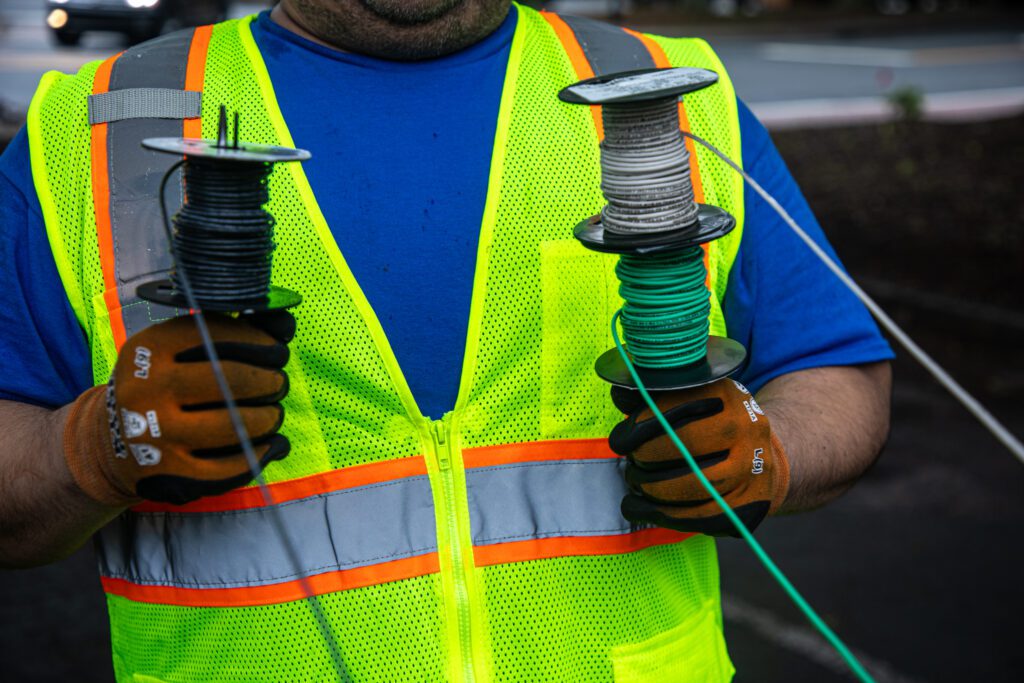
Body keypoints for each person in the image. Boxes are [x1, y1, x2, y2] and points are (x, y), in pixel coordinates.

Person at [0, 0, 893, 680]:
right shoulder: (95, 126)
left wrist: (771, 450)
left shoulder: (662, 82)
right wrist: (89, 448)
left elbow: (838, 378)